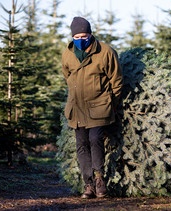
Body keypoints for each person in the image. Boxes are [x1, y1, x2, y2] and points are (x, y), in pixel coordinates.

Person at [61, 17, 123, 199]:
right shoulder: (68, 53)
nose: (81, 39)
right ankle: (88, 185)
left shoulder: (105, 52)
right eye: (77, 36)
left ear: (90, 34)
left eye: (84, 35)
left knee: (95, 139)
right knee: (81, 145)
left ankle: (99, 180)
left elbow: (116, 80)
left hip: (99, 107)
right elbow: (67, 75)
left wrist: (111, 103)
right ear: (73, 37)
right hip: (77, 108)